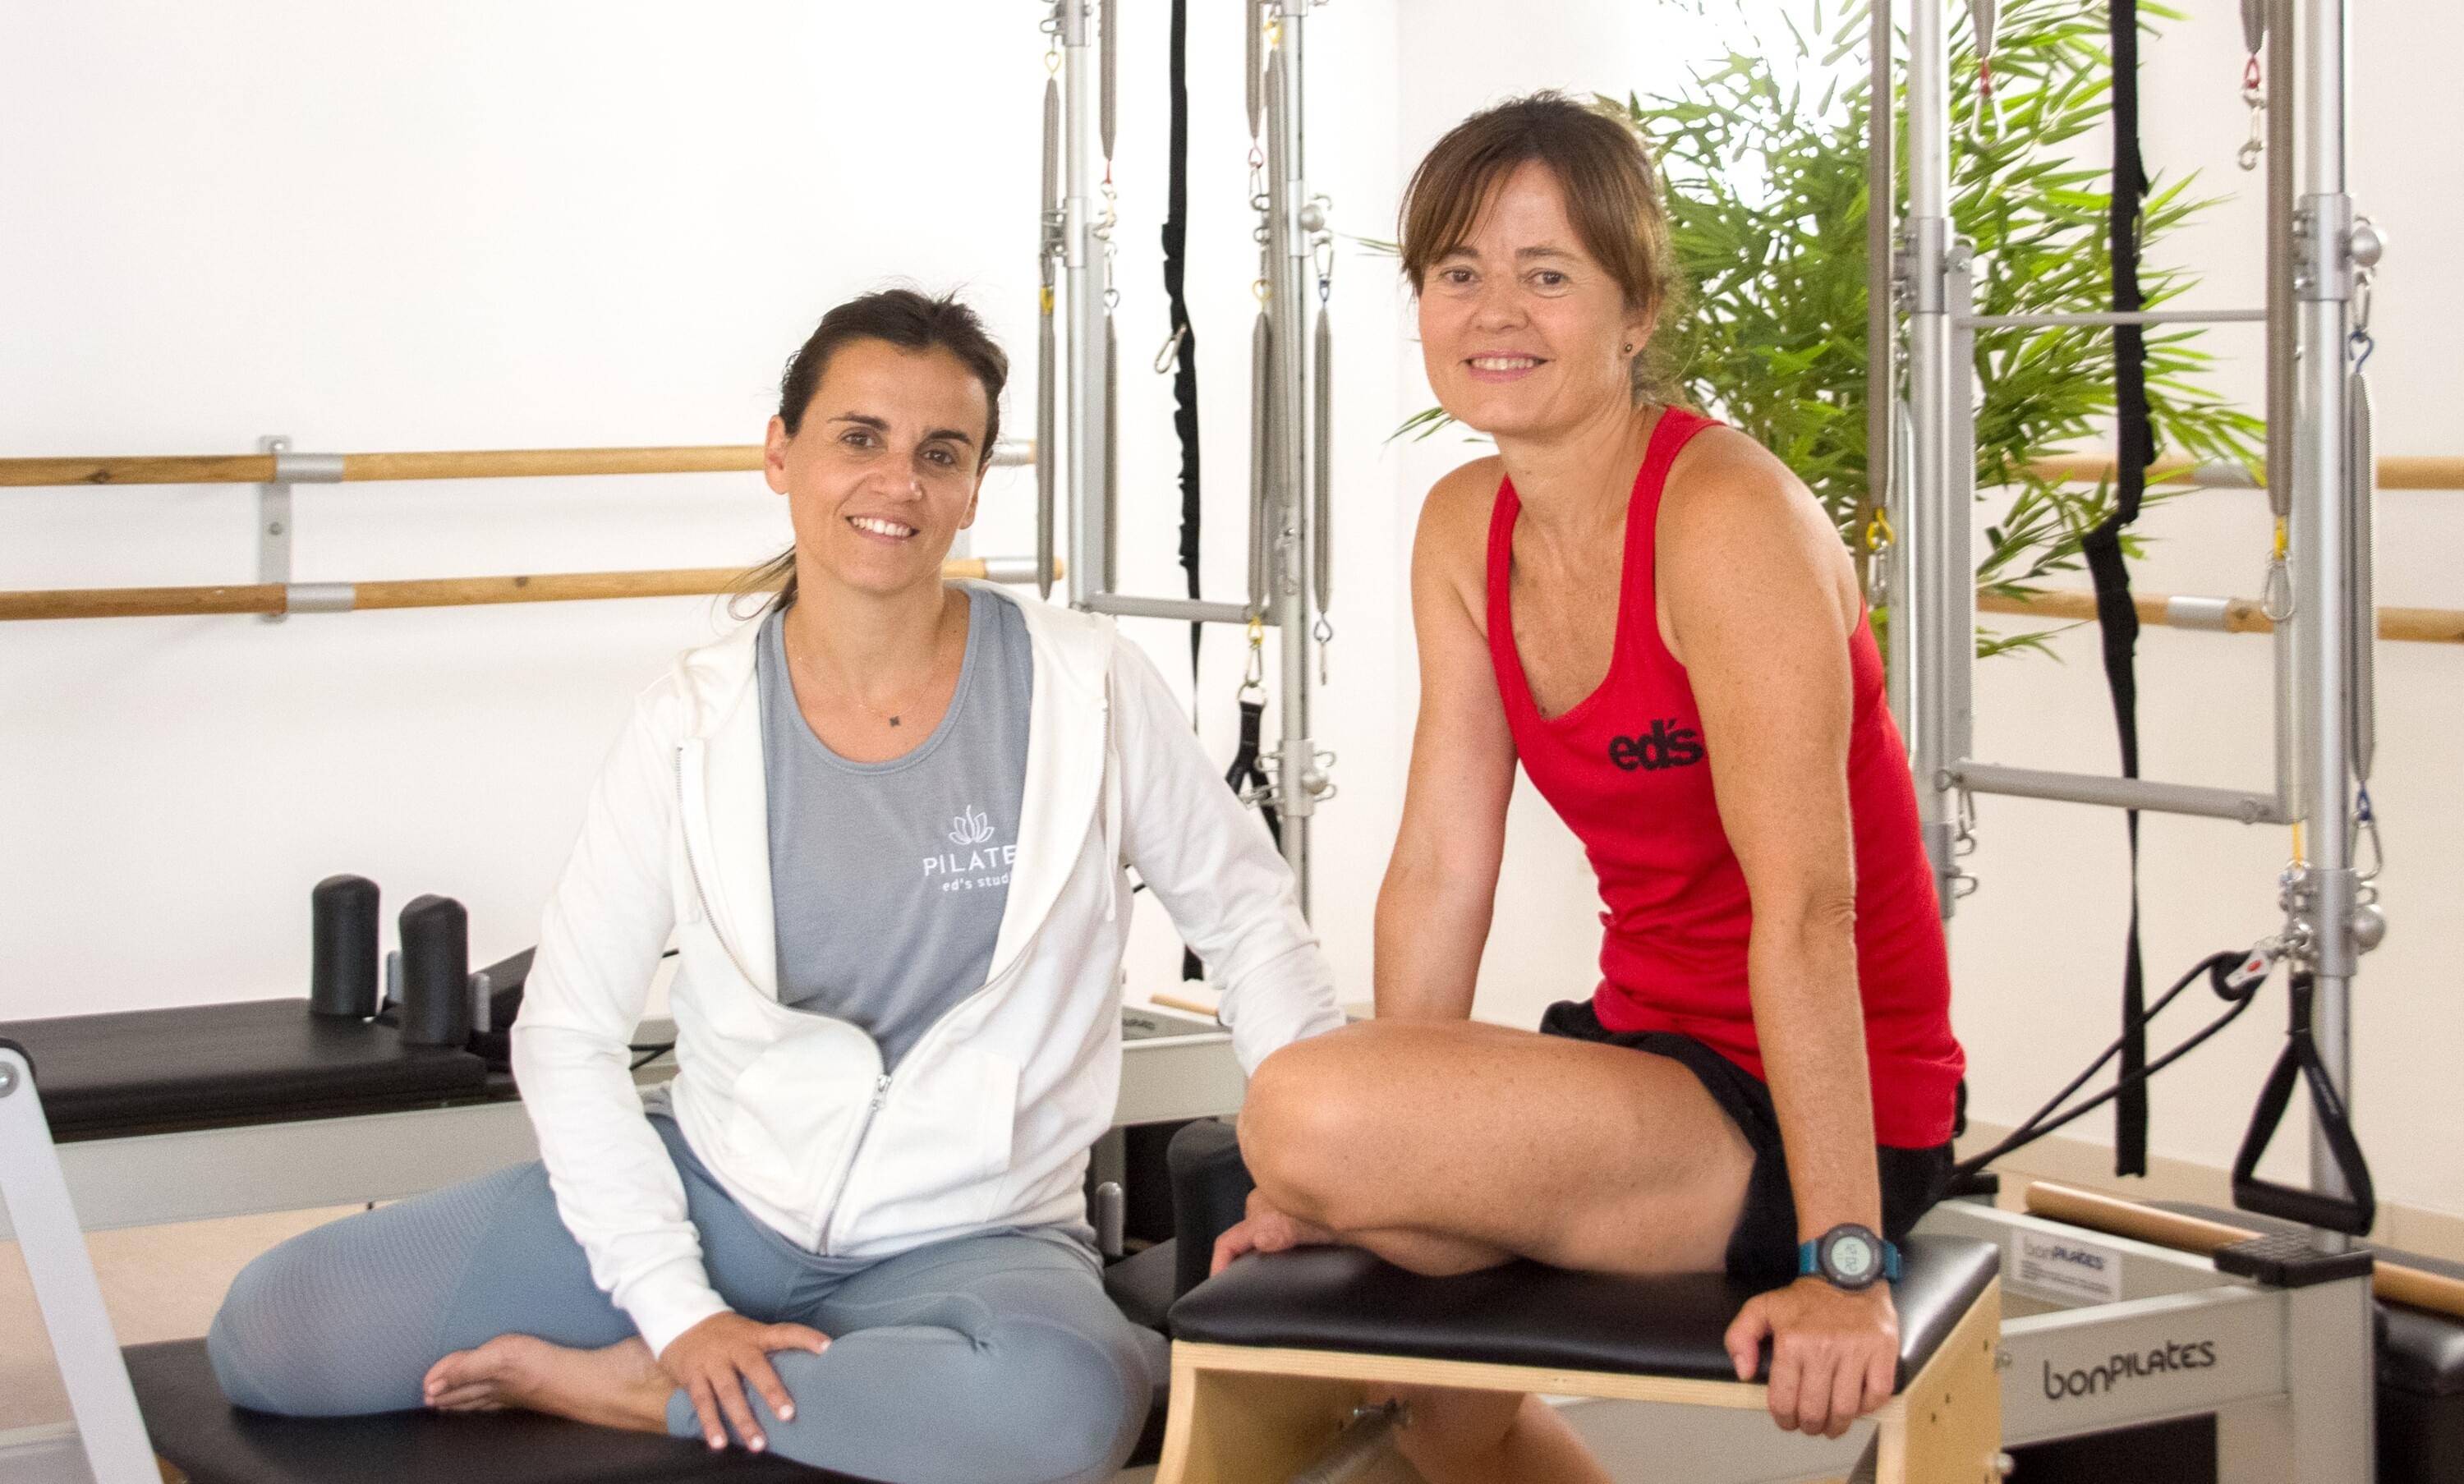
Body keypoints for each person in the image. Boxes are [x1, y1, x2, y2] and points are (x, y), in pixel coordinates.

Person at [206, 288, 1345, 1484]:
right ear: (781, 453)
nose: (898, 482)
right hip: (717, 1199)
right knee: (277, 1334)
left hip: (976, 1239)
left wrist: (1315, 1172)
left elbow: (1250, 926)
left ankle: (631, 1394)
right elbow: (568, 1033)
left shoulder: (1088, 688)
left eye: (940, 452)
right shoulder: (690, 719)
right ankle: (820, 1386)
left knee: (1061, 1408)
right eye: (860, 437)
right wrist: (675, 1305)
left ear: (972, 487)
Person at [1218, 94, 1967, 1482]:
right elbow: (1443, 864)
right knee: (1438, 1409)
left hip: (1820, 1109)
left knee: (1300, 1109)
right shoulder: (1463, 526)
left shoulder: (1726, 520)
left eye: (1547, 273)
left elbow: (1810, 911)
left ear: (1637, 312)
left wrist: (1843, 1260)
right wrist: (1373, 1165)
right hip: (1639, 1054)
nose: (1495, 310)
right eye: (1459, 272)